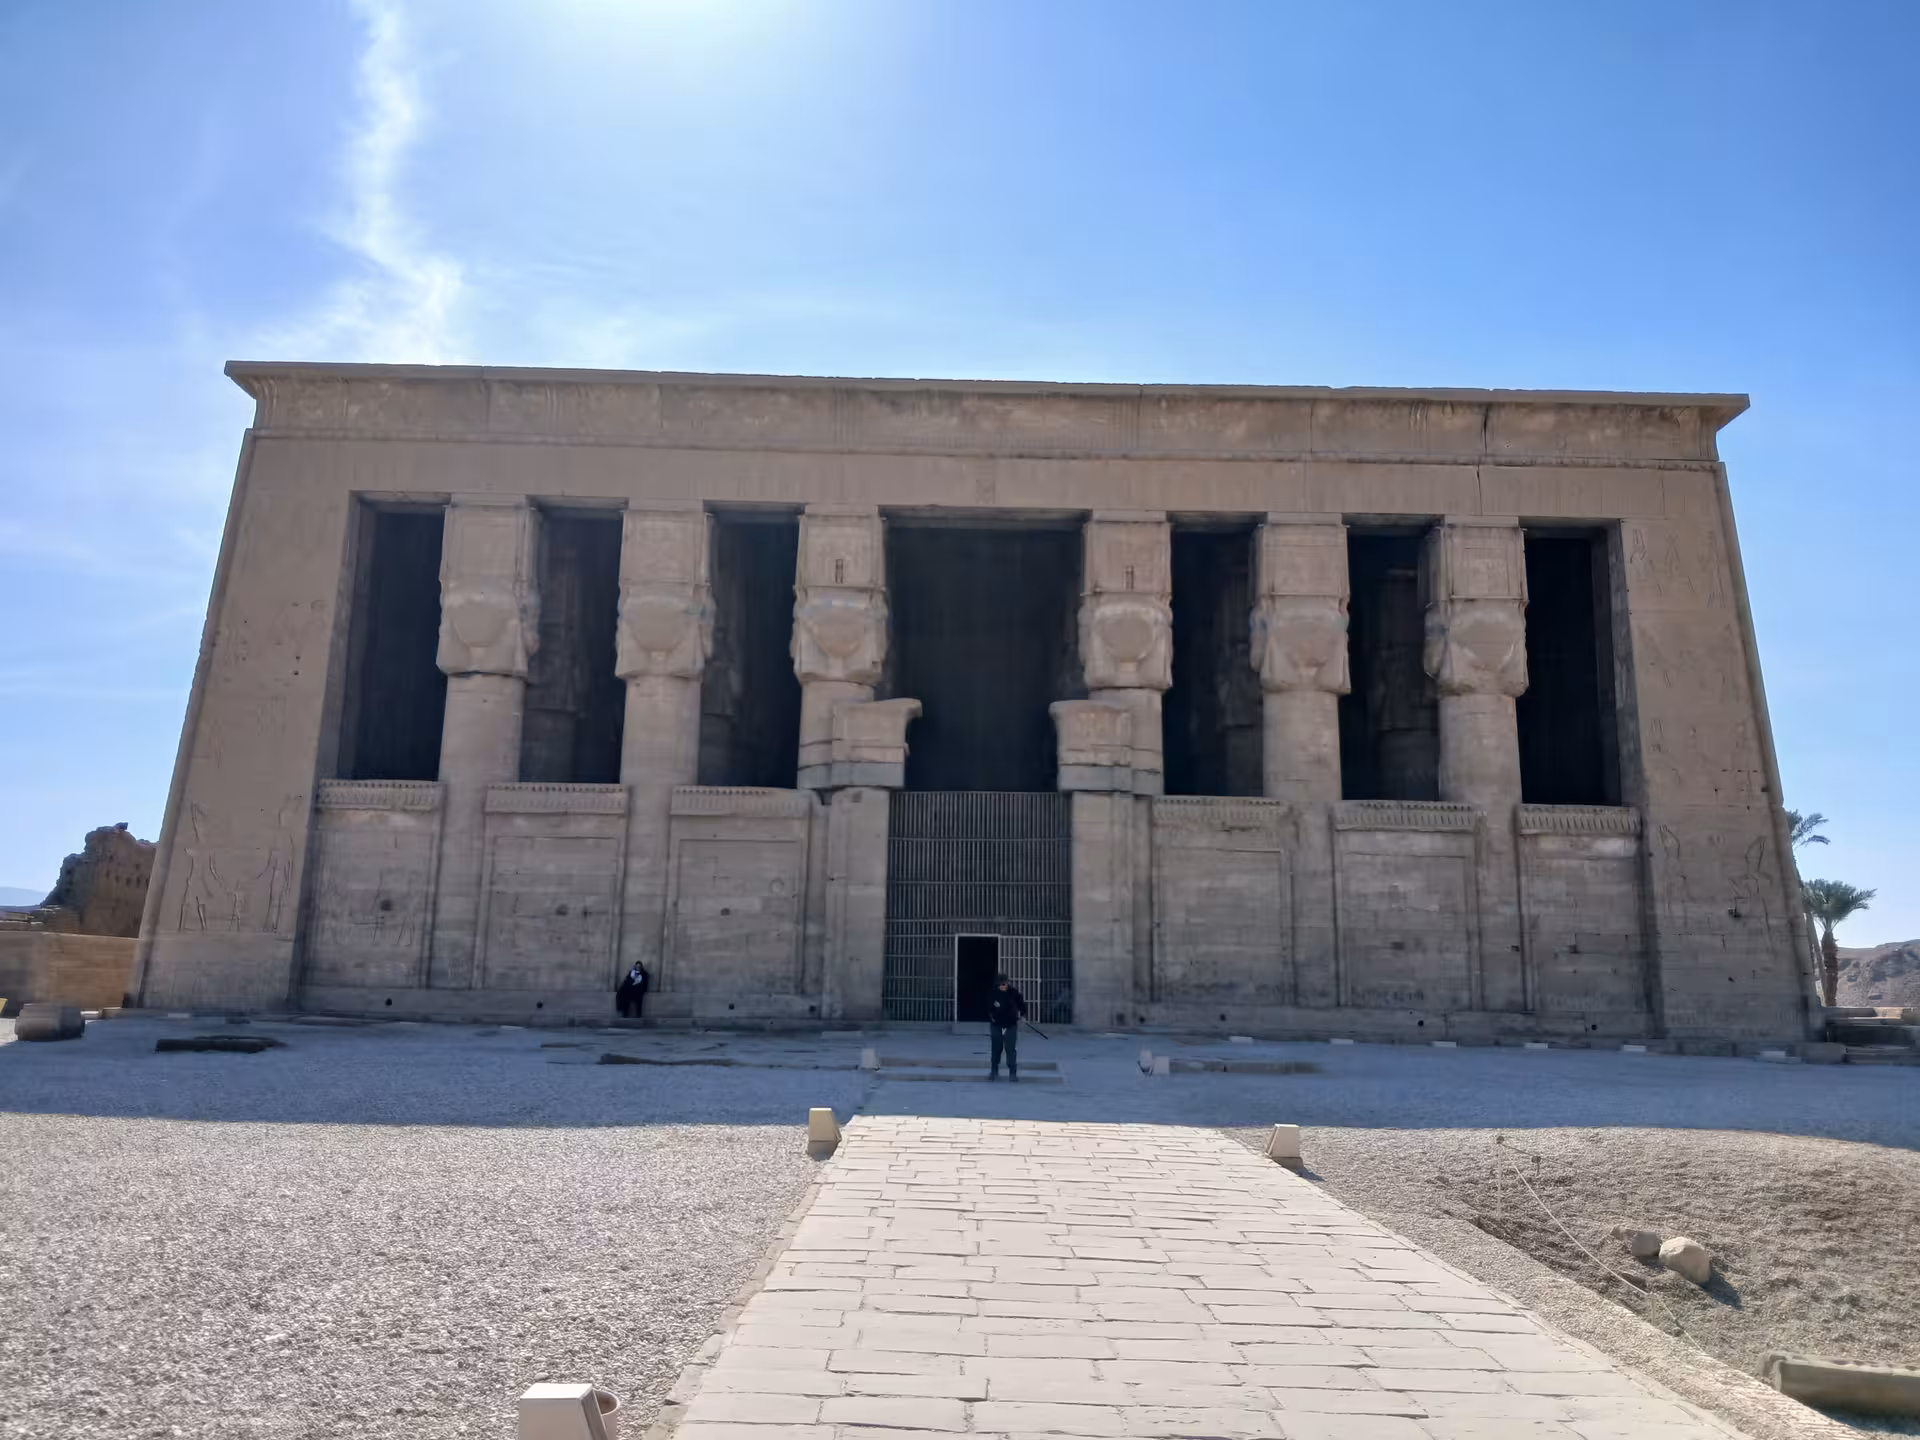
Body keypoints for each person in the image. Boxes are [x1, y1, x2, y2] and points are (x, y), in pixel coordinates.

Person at [987, 972, 1026, 1081]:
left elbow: (1021, 1004)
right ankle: (994, 1071)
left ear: (1008, 983)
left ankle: (1012, 1073)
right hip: (997, 1025)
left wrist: (1023, 1015)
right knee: (996, 1049)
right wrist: (991, 1015)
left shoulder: (1013, 993)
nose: (1003, 987)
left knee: (1010, 1049)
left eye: (1004, 984)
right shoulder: (993, 993)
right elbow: (988, 1007)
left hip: (1011, 1025)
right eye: (1001, 985)